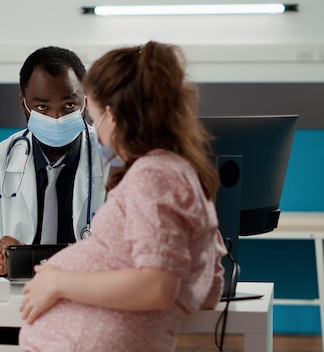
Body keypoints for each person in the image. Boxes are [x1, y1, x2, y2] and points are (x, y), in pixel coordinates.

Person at [18, 41, 228, 352]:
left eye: (94, 116)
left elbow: (158, 287)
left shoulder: (152, 176)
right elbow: (210, 289)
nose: (95, 129)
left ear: (112, 117)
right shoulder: (181, 172)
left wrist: (58, 282)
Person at [0, 46, 109, 278]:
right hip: (18, 299)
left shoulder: (113, 159)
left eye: (68, 106)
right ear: (23, 104)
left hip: (90, 289)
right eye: (42, 107)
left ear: (85, 101)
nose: (56, 118)